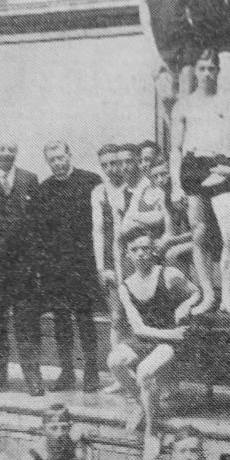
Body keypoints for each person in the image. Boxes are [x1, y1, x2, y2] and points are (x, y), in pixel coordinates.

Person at [109, 233, 200, 460]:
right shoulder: (126, 286)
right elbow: (138, 329)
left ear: (154, 252)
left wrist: (186, 305)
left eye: (145, 248)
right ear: (128, 255)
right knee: (114, 362)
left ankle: (152, 430)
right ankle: (143, 403)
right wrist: (172, 333)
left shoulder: (169, 275)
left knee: (145, 372)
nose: (140, 253)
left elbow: (197, 292)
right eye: (135, 249)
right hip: (155, 336)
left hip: (168, 343)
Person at [170, 49, 230, 316]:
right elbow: (175, 148)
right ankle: (208, 293)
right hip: (192, 167)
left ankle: (227, 294)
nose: (206, 74)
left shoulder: (228, 102)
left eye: (211, 69)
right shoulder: (184, 104)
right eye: (201, 68)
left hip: (220, 164)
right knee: (199, 232)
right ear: (195, 71)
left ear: (217, 71)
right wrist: (176, 185)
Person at [0, 139, 44, 396]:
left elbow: (38, 224)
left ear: (16, 153)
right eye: (1, 149)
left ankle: (33, 377)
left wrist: (36, 263)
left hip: (23, 268)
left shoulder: (29, 179)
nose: (6, 154)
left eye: (10, 150)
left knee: (27, 323)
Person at [33, 141, 102, 393]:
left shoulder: (91, 181)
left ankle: (91, 370)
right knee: (61, 318)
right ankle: (67, 370)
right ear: (47, 162)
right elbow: (39, 231)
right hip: (55, 266)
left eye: (61, 157)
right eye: (52, 159)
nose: (58, 163)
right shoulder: (44, 189)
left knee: (84, 317)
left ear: (69, 155)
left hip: (83, 263)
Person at [136, 0, 193, 103]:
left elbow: (191, 18)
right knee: (167, 100)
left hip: (184, 52)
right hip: (162, 53)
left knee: (186, 100)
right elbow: (146, 26)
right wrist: (156, 56)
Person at [91, 143, 131, 359]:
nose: (110, 169)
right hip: (111, 262)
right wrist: (101, 267)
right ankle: (120, 373)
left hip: (134, 261)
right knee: (117, 316)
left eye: (114, 163)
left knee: (138, 317)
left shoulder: (135, 187)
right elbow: (97, 231)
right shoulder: (99, 192)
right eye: (104, 165)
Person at [16, 404, 92, 460]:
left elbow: (79, 430)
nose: (60, 433)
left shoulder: (71, 439)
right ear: (43, 430)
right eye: (53, 428)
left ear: (69, 428)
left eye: (64, 428)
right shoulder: (32, 459)